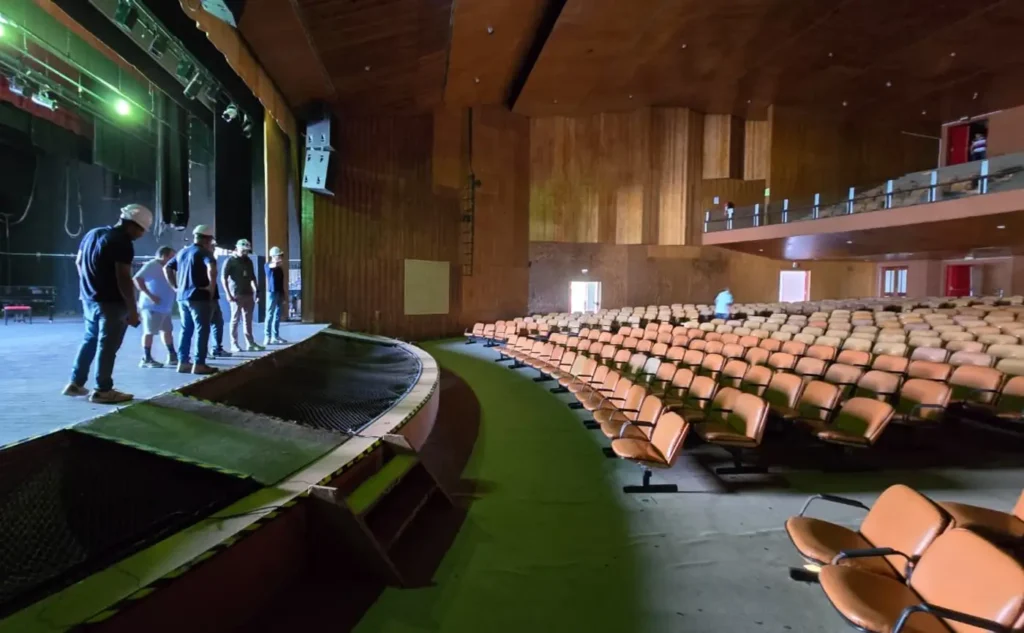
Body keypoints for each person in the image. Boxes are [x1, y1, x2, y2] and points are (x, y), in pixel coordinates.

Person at [63, 204, 152, 403]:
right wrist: (132, 309)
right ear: (133, 225)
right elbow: (123, 278)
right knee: (107, 345)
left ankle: (75, 383)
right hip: (111, 303)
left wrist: (90, 285)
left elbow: (79, 262)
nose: (141, 235)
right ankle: (103, 390)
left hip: (89, 299)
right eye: (141, 231)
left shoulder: (93, 234)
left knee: (90, 340)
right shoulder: (122, 242)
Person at [165, 225, 219, 375]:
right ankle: (199, 364)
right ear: (207, 239)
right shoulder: (204, 252)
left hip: (182, 297)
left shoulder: (182, 252)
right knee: (202, 329)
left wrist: (174, 287)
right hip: (199, 297)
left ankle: (183, 362)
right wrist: (211, 287)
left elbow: (167, 268)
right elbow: (212, 268)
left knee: (186, 329)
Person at [134, 246, 177, 368]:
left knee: (167, 330)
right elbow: (137, 278)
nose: (174, 259)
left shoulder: (169, 268)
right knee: (149, 332)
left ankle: (172, 355)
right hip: (152, 306)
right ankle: (146, 358)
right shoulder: (152, 265)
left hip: (165, 306)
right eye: (172, 256)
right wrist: (151, 296)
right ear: (164, 256)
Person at [222, 238, 263, 352]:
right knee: (235, 320)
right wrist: (228, 294)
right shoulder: (230, 261)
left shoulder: (248, 261)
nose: (245, 252)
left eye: (247, 250)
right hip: (236, 294)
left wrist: (257, 292)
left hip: (248, 293)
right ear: (237, 248)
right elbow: (223, 278)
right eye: (243, 250)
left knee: (248, 320)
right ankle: (234, 344)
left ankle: (250, 343)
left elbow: (252, 277)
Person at [264, 246, 288, 345]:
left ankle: (275, 336)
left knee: (277, 315)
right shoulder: (267, 265)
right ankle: (267, 337)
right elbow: (272, 266)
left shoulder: (280, 269)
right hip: (271, 293)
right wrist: (277, 263)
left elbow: (281, 283)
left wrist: (283, 295)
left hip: (279, 292)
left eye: (281, 256)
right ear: (273, 256)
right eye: (279, 255)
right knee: (269, 314)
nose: (281, 257)